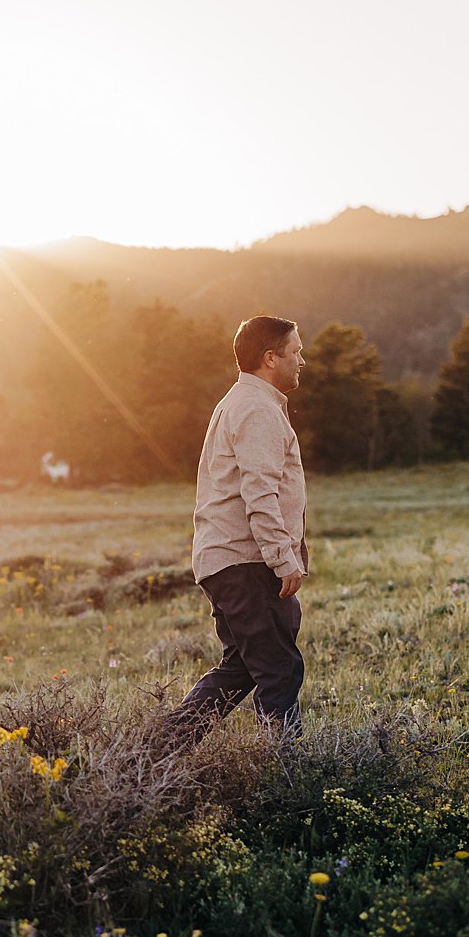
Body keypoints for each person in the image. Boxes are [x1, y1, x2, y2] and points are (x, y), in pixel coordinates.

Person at [172, 316, 310, 737]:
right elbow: (260, 493)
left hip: (229, 561)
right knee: (279, 669)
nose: (302, 360)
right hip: (247, 563)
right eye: (296, 351)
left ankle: (152, 756)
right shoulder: (256, 409)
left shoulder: (242, 402)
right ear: (271, 358)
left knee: (242, 669)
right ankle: (286, 777)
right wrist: (282, 559)